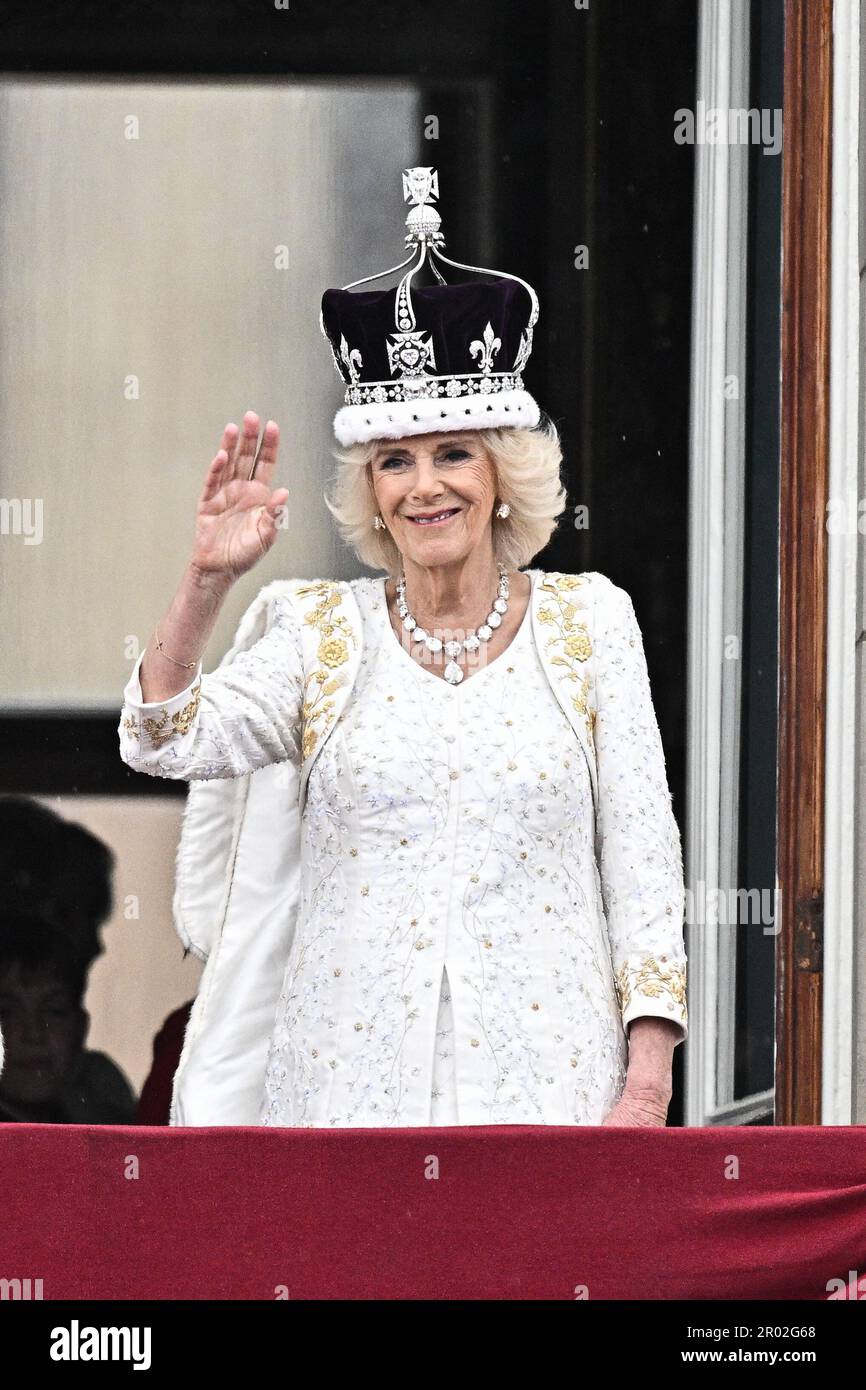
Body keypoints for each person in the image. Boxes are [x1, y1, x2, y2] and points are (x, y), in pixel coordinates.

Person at [118, 166, 687, 1129]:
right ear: (372, 490)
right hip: (345, 1102)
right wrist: (208, 581)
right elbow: (162, 739)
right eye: (395, 461)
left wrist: (645, 1084)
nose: (426, 487)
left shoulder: (591, 625)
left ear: (503, 473)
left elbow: (642, 861)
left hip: (550, 1095)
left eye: (453, 453)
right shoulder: (318, 636)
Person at [0, 914, 137, 1124]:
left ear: (81, 1028)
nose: (34, 1033)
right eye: (5, 1012)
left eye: (54, 1010)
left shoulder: (101, 1098)